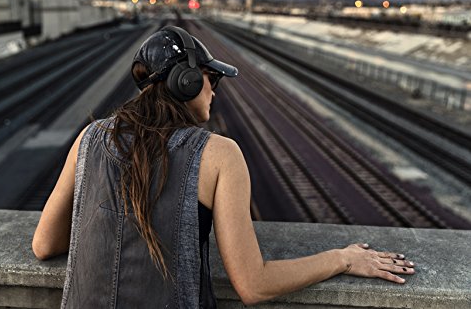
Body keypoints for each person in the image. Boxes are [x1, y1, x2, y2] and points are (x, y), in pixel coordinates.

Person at [32, 26, 415, 308]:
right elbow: (253, 284)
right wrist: (343, 257)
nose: (215, 89)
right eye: (211, 78)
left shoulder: (91, 138)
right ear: (186, 81)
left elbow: (44, 244)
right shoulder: (218, 154)